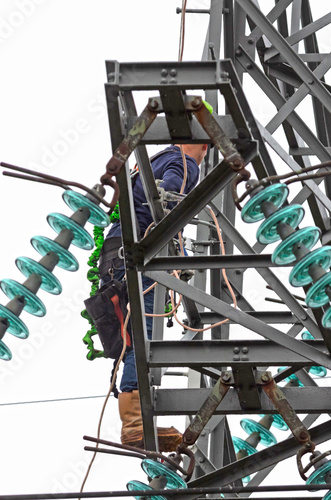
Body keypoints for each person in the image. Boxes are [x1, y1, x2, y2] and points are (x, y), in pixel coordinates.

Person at [99, 143, 208, 451]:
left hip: (115, 256)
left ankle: (134, 419)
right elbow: (168, 207)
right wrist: (179, 259)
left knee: (133, 336)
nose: (205, 154)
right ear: (201, 142)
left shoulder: (150, 162)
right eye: (207, 148)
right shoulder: (184, 162)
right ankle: (134, 423)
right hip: (137, 255)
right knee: (143, 334)